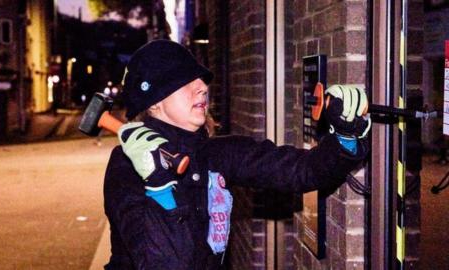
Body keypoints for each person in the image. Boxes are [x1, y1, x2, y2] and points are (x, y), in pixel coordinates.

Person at [103, 40, 371, 269]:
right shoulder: (127, 166)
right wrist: (159, 187)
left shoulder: (217, 153)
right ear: (154, 102)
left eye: (201, 80)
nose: (202, 87)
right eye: (185, 81)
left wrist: (344, 137)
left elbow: (303, 171)